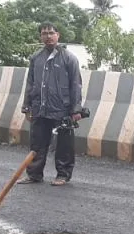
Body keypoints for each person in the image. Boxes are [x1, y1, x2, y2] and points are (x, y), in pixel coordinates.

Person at [19, 22, 84, 186]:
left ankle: (63, 175)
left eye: (51, 33)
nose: (48, 36)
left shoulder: (69, 58)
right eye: (44, 33)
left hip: (61, 109)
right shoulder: (36, 58)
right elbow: (30, 83)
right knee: (37, 143)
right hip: (39, 108)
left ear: (58, 35)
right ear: (40, 36)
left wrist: (76, 110)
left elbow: (76, 84)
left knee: (64, 145)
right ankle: (34, 174)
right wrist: (27, 107)